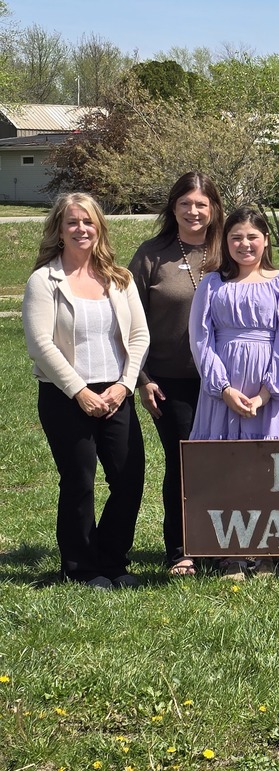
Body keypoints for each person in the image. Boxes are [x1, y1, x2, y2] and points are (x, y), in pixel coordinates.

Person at [23, 193, 150, 589]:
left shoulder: (119, 279)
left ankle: (113, 561)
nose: (82, 229)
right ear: (59, 231)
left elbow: (139, 335)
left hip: (116, 393)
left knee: (129, 478)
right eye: (73, 222)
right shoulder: (44, 280)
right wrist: (79, 391)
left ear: (100, 228)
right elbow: (40, 343)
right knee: (78, 481)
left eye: (89, 222)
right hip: (65, 395)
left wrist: (124, 385)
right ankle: (80, 567)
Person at [129, 171, 224, 577]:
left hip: (225, 378)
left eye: (201, 204)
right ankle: (182, 547)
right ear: (173, 207)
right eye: (185, 203)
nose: (193, 211)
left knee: (225, 460)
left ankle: (225, 542)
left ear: (214, 208)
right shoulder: (152, 254)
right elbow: (127, 322)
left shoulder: (230, 248)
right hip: (169, 380)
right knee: (183, 462)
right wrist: (142, 379)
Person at [189, 207, 279, 444]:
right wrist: (223, 389)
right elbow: (200, 338)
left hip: (268, 389)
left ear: (265, 240)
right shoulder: (212, 283)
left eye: (252, 237)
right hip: (222, 388)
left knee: (265, 465)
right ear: (226, 242)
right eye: (236, 238)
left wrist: (265, 394)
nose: (244, 244)